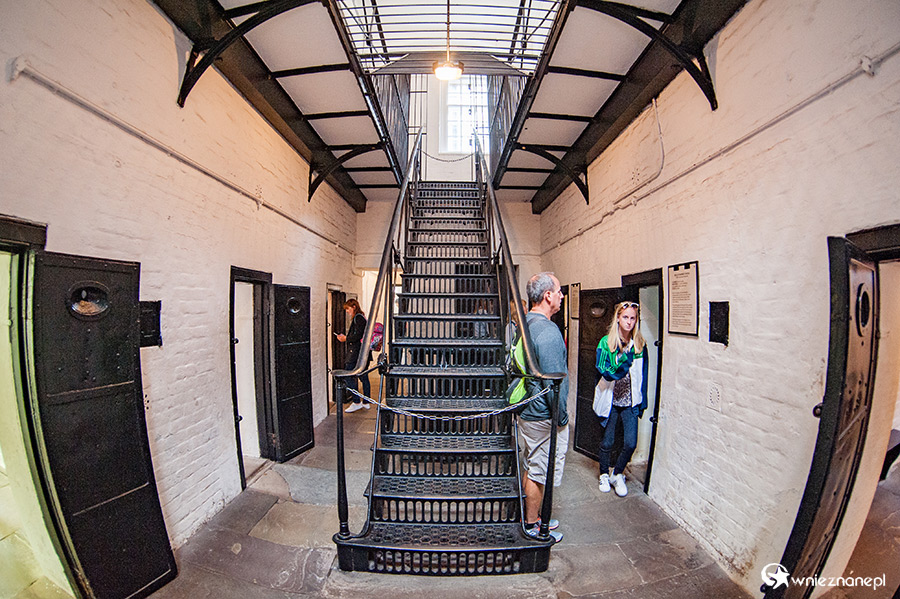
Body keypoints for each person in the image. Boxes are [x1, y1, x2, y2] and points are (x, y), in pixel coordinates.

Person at [518, 272, 569, 542]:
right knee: (539, 472)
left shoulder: (526, 323)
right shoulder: (548, 332)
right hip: (543, 415)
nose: (562, 295)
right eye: (559, 291)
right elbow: (554, 382)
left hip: (529, 410)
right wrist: (561, 417)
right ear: (548, 295)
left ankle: (534, 516)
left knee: (531, 464)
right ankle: (532, 526)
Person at [593, 301, 648, 497]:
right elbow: (606, 372)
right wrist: (625, 360)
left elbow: (644, 375)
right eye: (625, 317)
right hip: (611, 400)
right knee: (607, 442)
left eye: (633, 318)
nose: (629, 322)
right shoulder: (606, 343)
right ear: (618, 318)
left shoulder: (639, 344)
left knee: (630, 443)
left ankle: (617, 474)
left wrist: (643, 401)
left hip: (630, 401)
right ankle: (603, 474)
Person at [335, 298, 371, 413]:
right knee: (363, 376)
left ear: (354, 307)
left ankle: (356, 402)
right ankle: (366, 402)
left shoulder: (358, 318)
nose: (347, 311)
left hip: (356, 353)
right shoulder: (361, 317)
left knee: (348, 374)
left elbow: (358, 335)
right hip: (363, 352)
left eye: (348, 309)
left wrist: (345, 338)